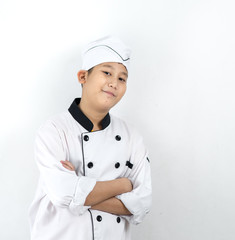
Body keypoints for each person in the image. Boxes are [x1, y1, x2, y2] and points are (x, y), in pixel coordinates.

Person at [29, 36, 152, 240]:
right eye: (106, 72)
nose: (114, 83)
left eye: (122, 78)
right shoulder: (53, 130)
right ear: (83, 77)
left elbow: (142, 205)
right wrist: (122, 185)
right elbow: (62, 193)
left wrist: (78, 189)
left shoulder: (132, 137)